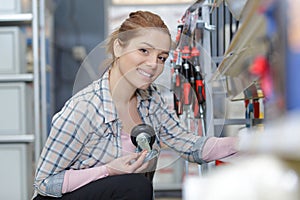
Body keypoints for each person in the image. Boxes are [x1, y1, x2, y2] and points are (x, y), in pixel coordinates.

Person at [32, 10, 238, 200]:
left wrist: (247, 143)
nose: (153, 64)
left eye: (161, 57)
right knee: (135, 186)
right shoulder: (83, 108)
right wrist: (108, 171)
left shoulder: (151, 100)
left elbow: (190, 146)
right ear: (118, 47)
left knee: (137, 187)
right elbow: (44, 183)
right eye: (144, 51)